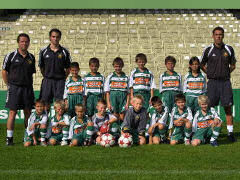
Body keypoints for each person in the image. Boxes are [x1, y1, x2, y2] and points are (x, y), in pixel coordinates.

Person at [200, 26, 237, 142]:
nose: (218, 36)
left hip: (225, 82)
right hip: (212, 83)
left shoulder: (229, 49)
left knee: (227, 107)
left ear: (223, 35)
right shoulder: (208, 50)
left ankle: (230, 133)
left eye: (220, 34)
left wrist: (225, 73)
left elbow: (233, 65)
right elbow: (202, 65)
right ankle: (209, 132)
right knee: (209, 107)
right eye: (216, 34)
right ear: (213, 36)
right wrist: (210, 73)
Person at [2, 33, 36, 145]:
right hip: (14, 88)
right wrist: (9, 85)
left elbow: (31, 74)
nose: (24, 43)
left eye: (26, 41)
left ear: (29, 43)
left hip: (27, 89)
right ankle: (9, 138)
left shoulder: (31, 57)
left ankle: (27, 136)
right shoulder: (10, 56)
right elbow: (4, 72)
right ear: (18, 42)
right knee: (12, 112)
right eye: (22, 41)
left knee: (28, 112)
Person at [39, 28, 71, 105]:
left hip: (60, 81)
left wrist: (63, 78)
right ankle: (45, 117)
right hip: (47, 81)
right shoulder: (43, 51)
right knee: (45, 104)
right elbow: (41, 67)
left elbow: (68, 68)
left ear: (60, 38)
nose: (55, 39)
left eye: (57, 37)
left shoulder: (64, 51)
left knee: (60, 104)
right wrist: (47, 76)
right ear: (50, 37)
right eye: (53, 36)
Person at [104, 57, 130, 122]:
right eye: (116, 66)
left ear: (122, 66)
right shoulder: (110, 77)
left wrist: (127, 103)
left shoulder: (126, 77)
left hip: (123, 98)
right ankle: (115, 130)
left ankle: (122, 130)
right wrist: (108, 103)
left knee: (122, 116)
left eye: (119, 66)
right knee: (114, 116)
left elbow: (128, 92)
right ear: (113, 66)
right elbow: (107, 92)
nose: (118, 68)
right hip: (113, 98)